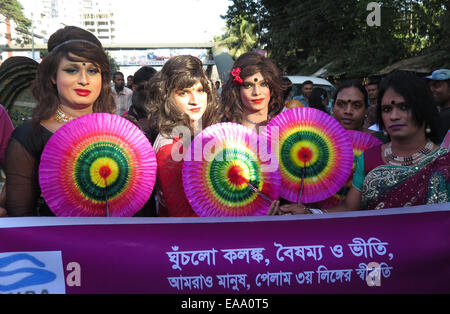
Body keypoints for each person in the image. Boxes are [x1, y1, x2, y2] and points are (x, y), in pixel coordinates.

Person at [269, 71, 449, 215]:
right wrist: (309, 212)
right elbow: (349, 209)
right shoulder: (370, 157)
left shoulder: (444, 161)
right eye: (387, 109)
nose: (394, 116)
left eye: (404, 107)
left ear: (423, 110)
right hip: (376, 253)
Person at [3, 26, 116, 217]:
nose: (84, 80)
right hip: (54, 244)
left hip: (118, 242)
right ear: (53, 76)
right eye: (72, 70)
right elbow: (21, 219)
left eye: (93, 70)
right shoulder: (29, 135)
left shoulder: (124, 133)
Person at [149, 55, 221, 217]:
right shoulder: (170, 148)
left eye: (200, 90)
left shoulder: (201, 132)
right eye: (184, 93)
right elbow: (184, 216)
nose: (195, 100)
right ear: (167, 96)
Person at [221, 51, 286, 132]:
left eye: (263, 84)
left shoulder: (283, 131)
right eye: (248, 85)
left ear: (271, 88)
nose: (257, 92)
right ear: (237, 90)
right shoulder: (227, 133)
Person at [125, 66, 158, 143]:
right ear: (134, 87)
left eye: (155, 88)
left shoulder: (164, 121)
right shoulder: (125, 123)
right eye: (147, 87)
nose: (152, 92)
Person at [425, 69, 450, 142]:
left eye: (436, 85)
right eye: (429, 86)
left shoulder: (445, 117)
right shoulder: (438, 114)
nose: (431, 89)